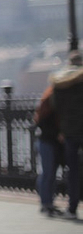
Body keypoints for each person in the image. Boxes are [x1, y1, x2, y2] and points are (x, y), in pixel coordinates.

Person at [52, 49, 83, 220]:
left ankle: (72, 208)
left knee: (72, 171)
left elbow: (56, 106)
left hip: (69, 132)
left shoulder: (61, 81)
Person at [34, 84, 63, 217]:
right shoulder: (50, 100)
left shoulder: (54, 99)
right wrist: (57, 134)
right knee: (47, 173)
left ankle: (48, 202)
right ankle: (46, 203)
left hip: (51, 141)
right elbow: (41, 122)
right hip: (46, 141)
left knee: (50, 173)